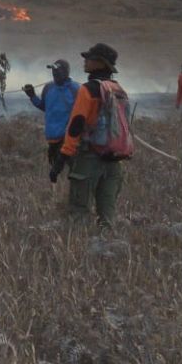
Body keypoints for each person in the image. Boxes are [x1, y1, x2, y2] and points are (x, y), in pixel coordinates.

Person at [49, 43, 128, 227]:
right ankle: (108, 248)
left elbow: (76, 125)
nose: (85, 61)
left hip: (89, 158)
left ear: (100, 63)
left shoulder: (87, 89)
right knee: (107, 215)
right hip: (114, 160)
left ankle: (80, 250)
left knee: (79, 212)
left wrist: (62, 157)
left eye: (89, 59)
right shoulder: (117, 88)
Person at [23, 59, 80, 168]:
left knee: (71, 170)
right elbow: (45, 107)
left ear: (66, 72)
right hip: (52, 137)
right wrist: (32, 96)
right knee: (55, 170)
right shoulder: (48, 88)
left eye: (58, 70)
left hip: (68, 138)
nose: (54, 73)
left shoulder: (76, 89)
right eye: (53, 70)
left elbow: (82, 114)